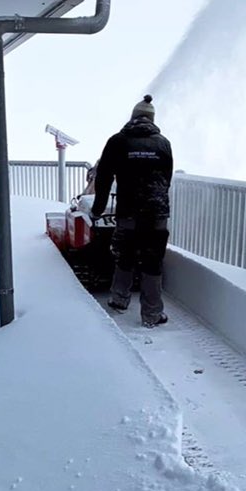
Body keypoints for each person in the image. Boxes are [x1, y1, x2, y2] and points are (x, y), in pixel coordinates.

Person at [90, 94, 173, 327]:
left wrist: (97, 210)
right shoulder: (163, 143)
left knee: (125, 256)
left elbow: (103, 179)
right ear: (152, 119)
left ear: (133, 117)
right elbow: (166, 180)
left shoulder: (117, 141)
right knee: (153, 261)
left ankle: (119, 300)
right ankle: (152, 314)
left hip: (129, 212)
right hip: (157, 215)